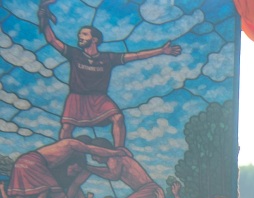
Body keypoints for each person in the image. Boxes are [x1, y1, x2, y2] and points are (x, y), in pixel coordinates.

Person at [37, 2, 180, 146]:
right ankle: (61, 151)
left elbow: (136, 55)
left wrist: (161, 51)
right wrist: (45, 21)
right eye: (80, 34)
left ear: (94, 39)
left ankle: (120, 151)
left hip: (99, 98)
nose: (80, 36)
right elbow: (52, 40)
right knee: (67, 127)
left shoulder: (108, 58)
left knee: (118, 118)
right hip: (77, 97)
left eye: (84, 34)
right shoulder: (74, 54)